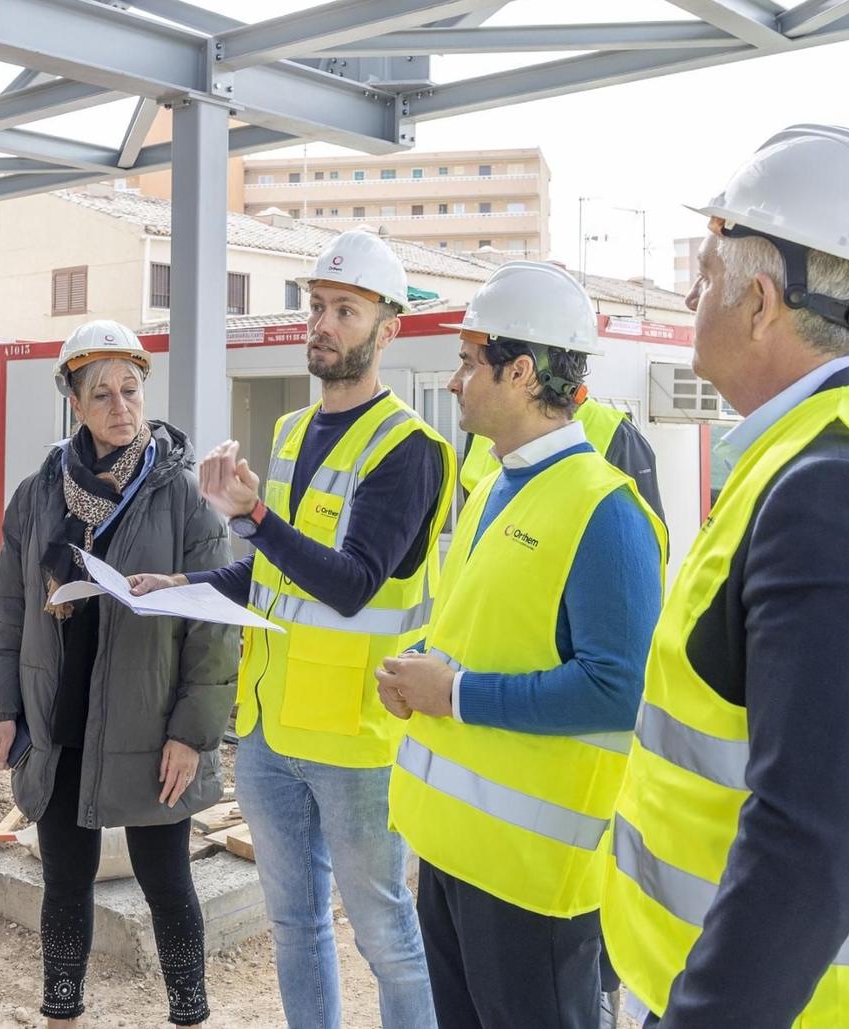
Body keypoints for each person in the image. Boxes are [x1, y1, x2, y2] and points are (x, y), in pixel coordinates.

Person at [600, 124, 849, 1027]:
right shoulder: (820, 455)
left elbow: (808, 841)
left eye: (702, 279)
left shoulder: (839, 492)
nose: (692, 299)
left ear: (761, 302)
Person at [130, 228, 454, 1029]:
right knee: (296, 926)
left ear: (389, 329)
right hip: (271, 729)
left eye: (345, 309)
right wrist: (184, 582)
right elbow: (273, 575)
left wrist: (255, 515)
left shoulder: (409, 450)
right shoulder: (291, 433)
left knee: (385, 935)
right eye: (317, 306)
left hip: (354, 738)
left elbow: (349, 586)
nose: (323, 323)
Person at [378, 261, 665, 1029]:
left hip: (531, 883)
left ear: (522, 371)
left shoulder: (605, 511)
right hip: (451, 852)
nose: (453, 380)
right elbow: (479, 632)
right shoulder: (497, 488)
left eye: (469, 361)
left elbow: (615, 689)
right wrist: (415, 671)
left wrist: (456, 693)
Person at [0, 320, 238, 1028]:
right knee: (65, 879)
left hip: (148, 726)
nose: (122, 406)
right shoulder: (38, 495)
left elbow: (214, 625)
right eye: (103, 394)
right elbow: (9, 608)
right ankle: (62, 1010)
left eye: (131, 389)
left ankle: (190, 1013)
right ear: (75, 402)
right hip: (59, 721)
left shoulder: (183, 496)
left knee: (166, 880)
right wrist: (2, 706)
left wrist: (192, 733)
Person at [458, 391, 662, 519]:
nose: (455, 383)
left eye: (471, 365)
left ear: (520, 370)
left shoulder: (618, 435)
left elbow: (645, 552)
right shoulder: (480, 432)